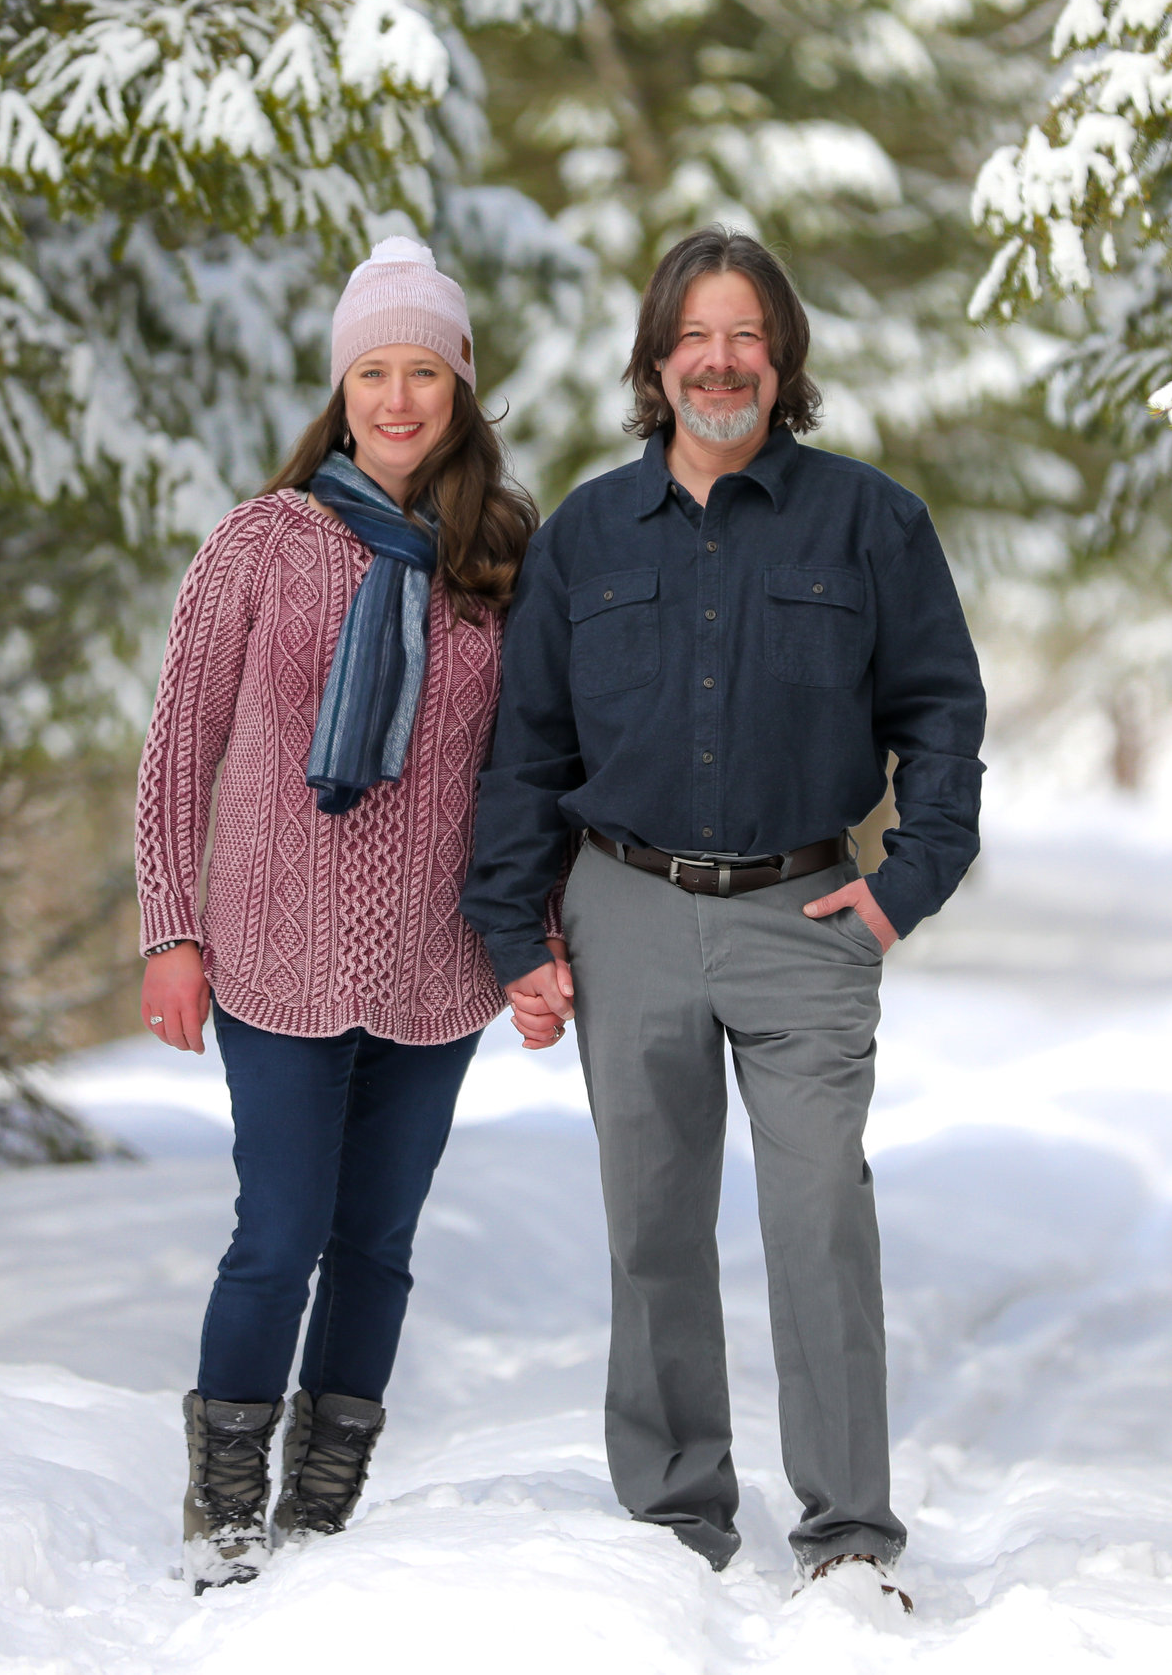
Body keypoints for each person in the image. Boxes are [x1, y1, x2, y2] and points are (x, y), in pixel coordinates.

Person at [461, 227, 986, 1608]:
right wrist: (517, 934)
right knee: (652, 1226)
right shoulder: (585, 534)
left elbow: (941, 715)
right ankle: (674, 1515)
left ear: (783, 358)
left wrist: (905, 884)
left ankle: (849, 1532)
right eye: (695, 337)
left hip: (808, 914)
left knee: (818, 1213)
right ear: (655, 362)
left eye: (746, 335)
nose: (721, 361)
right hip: (624, 909)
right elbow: (524, 748)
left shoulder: (870, 523)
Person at [133, 237, 542, 1591]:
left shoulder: (503, 555)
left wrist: (536, 941)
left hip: (439, 958)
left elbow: (534, 769)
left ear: (460, 385)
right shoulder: (260, 542)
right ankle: (226, 1500)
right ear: (343, 385)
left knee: (378, 1240)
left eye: (425, 370)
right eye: (376, 371)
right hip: (271, 946)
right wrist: (169, 928)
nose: (400, 398)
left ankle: (325, 1502)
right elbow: (177, 748)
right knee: (282, 1226)